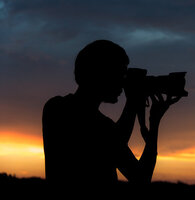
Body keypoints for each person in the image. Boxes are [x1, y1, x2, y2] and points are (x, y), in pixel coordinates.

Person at [42, 40, 182, 186]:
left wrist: (154, 127)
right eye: (120, 74)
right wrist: (133, 102)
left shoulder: (59, 109)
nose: (123, 83)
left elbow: (141, 176)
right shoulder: (59, 109)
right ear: (101, 74)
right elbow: (112, 143)